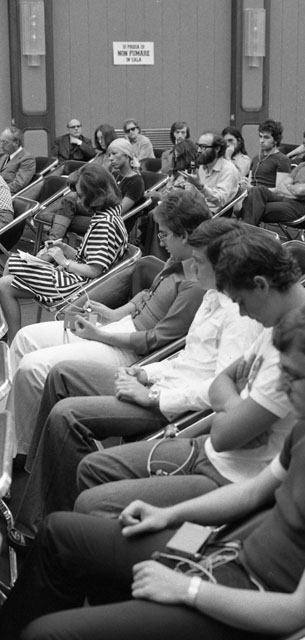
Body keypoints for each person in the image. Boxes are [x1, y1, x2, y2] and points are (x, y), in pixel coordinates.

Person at [2, 296, 305, 640]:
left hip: (242, 603)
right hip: (221, 551)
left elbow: (299, 611)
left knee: (45, 633)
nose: (281, 387)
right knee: (59, 532)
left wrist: (185, 589)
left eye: (293, 377)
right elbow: (251, 493)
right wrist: (168, 514)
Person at [9, 219, 261, 543]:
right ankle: (37, 481)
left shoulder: (238, 315)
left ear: (222, 265)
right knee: (61, 374)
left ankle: (38, 526)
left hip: (173, 405)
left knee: (67, 414)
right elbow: (186, 358)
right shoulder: (212, 295)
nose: (192, 268)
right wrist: (145, 373)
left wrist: (153, 397)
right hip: (160, 381)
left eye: (199, 262)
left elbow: (217, 387)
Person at [74, 224, 305, 519]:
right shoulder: (277, 320)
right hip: (208, 446)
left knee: (86, 502)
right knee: (92, 468)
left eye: (241, 301)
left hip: (228, 469)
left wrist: (162, 397)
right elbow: (221, 382)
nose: (241, 310)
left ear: (261, 286)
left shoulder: (293, 345)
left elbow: (223, 426)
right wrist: (149, 376)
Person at [7, 190, 210, 457]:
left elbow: (155, 340)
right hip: (122, 327)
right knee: (25, 338)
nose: (159, 241)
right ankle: (17, 435)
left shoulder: (196, 284)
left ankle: (21, 451)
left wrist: (100, 335)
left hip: (132, 350)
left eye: (164, 235)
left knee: (34, 366)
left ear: (184, 235)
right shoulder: (179, 259)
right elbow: (147, 294)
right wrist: (115, 314)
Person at [0, 164, 128, 343]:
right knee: (5, 284)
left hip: (79, 286)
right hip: (78, 280)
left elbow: (94, 270)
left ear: (96, 196)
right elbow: (90, 259)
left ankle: (7, 334)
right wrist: (66, 249)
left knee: (15, 262)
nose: (78, 201)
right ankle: (11, 338)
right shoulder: (108, 217)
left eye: (81, 196)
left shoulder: (105, 224)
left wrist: (64, 261)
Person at [47, 138, 145, 241]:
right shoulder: (115, 174)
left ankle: (52, 241)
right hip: (98, 213)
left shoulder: (136, 181)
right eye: (109, 155)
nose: (111, 158)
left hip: (110, 223)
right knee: (68, 203)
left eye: (114, 154)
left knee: (65, 212)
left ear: (126, 155)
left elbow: (118, 211)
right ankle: (53, 241)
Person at [240, 126, 305, 226]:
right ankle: (247, 231)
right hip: (289, 200)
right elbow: (281, 188)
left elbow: (301, 191)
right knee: (257, 190)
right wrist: (296, 191)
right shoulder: (303, 165)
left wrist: (292, 188)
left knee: (255, 207)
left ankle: (244, 232)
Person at [182, 132, 240, 213]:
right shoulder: (202, 167)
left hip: (213, 214)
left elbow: (220, 200)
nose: (199, 150)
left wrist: (200, 186)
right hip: (197, 208)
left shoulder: (228, 169)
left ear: (217, 149)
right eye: (198, 146)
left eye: (203, 147)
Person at [0, 126, 35, 194]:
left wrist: (1, 190)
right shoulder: (4, 156)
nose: (2, 146)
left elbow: (18, 185)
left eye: (5, 142)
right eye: (1, 142)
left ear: (16, 143)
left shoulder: (27, 159)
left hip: (8, 194)